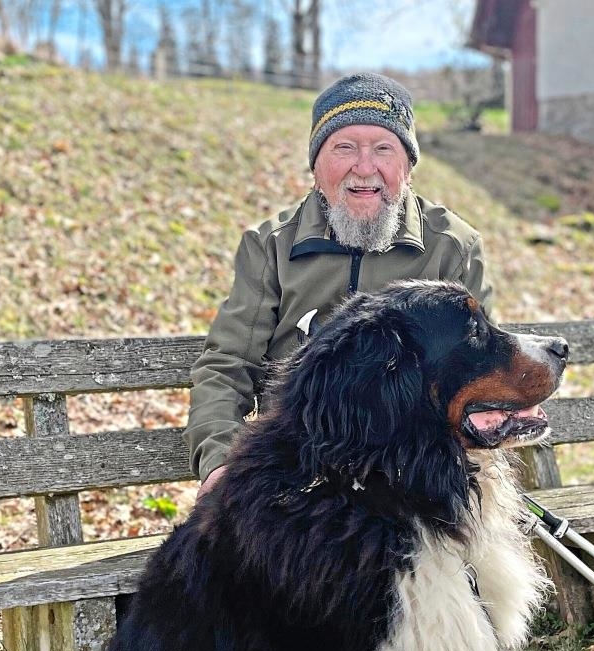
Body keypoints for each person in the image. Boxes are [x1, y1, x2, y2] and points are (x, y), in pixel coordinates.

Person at [185, 72, 493, 496]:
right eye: (344, 147)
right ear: (316, 165)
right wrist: (220, 464)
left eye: (384, 149)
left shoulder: (453, 247)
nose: (364, 169)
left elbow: (482, 371)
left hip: (410, 476)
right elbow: (228, 366)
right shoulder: (271, 247)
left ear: (408, 167)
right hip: (298, 472)